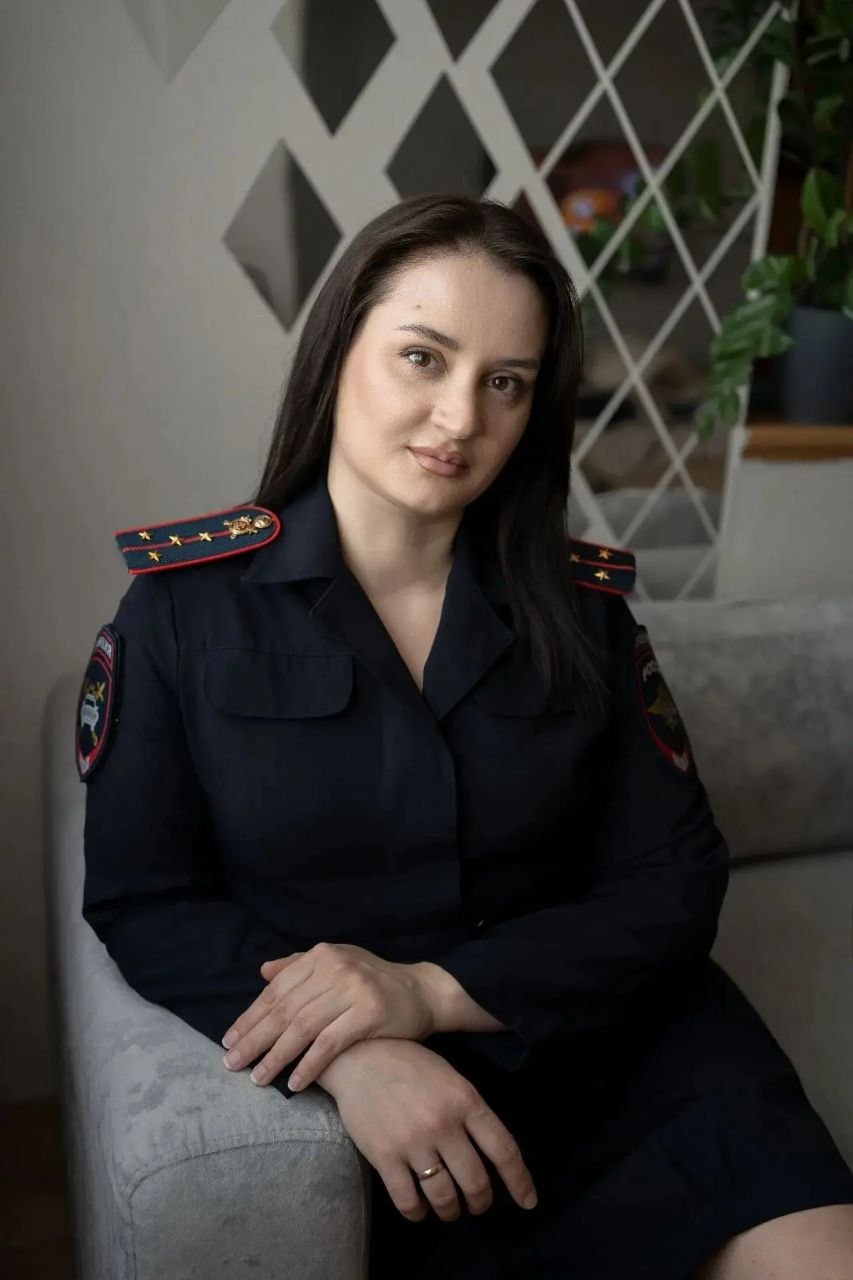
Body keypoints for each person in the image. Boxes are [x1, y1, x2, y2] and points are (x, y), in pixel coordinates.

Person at [77, 193, 853, 1279]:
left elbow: (673, 880)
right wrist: (350, 1053)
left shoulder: (583, 613)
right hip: (409, 1110)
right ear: (338, 351)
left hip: (626, 1052)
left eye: (505, 383)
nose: (458, 418)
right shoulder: (183, 609)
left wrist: (425, 992)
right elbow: (144, 897)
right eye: (422, 357)